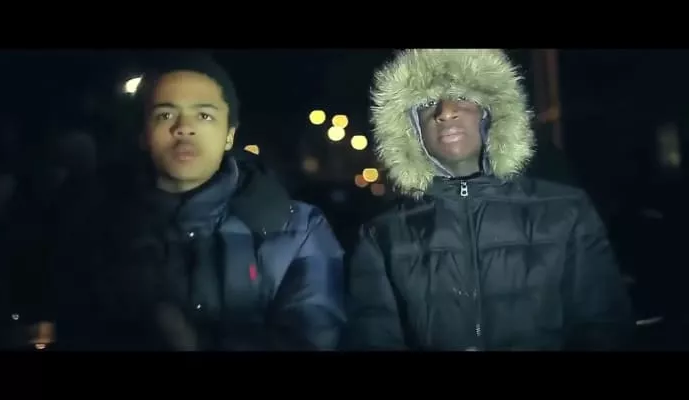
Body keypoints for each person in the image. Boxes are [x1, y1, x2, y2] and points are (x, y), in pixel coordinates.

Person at [344, 49, 634, 351]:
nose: (445, 111)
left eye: (462, 96)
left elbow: (604, 328)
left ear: (492, 111)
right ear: (410, 129)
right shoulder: (382, 236)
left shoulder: (566, 211)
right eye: (428, 103)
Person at [55, 54, 345, 351]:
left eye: (204, 115)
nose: (184, 128)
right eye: (165, 115)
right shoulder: (95, 224)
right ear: (144, 134)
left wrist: (196, 343)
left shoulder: (299, 229)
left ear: (229, 134)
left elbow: (313, 338)